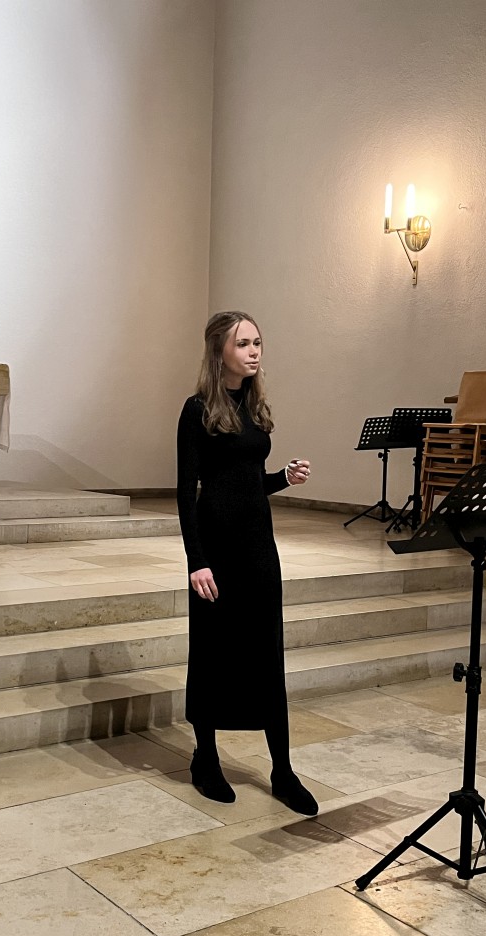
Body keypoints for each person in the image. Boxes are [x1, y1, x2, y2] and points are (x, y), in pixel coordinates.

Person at [176, 310, 318, 816]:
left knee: (266, 656)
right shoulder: (197, 410)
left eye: (257, 342)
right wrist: (196, 561)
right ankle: (205, 758)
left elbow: (249, 483)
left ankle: (282, 770)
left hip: (259, 548)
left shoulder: (254, 408)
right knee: (213, 653)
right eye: (243, 343)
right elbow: (187, 492)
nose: (254, 351)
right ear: (219, 351)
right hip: (216, 551)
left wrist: (283, 478)